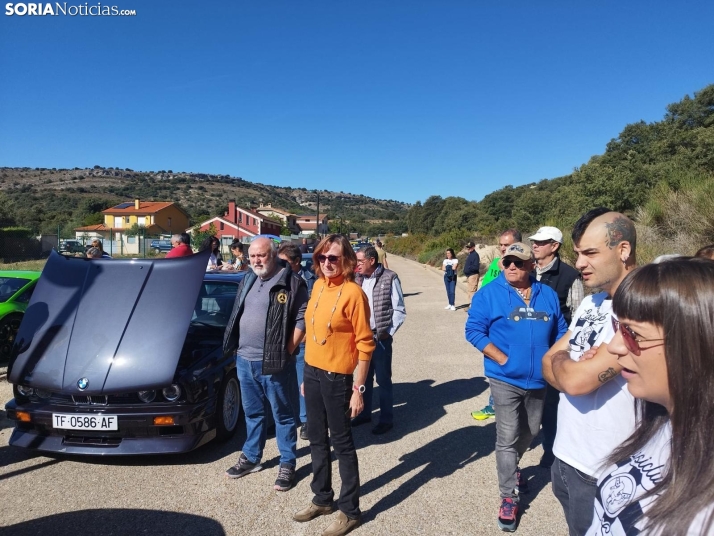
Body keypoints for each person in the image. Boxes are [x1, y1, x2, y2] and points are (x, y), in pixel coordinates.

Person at [587, 258, 714, 536]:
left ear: (695, 345)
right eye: (617, 326)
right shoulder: (660, 421)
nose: (615, 346)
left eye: (633, 334)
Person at [541, 208, 638, 536]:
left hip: (607, 468)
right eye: (578, 253)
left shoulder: (642, 307)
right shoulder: (593, 302)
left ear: (622, 250)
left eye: (591, 253)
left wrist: (566, 367)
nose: (580, 263)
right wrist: (566, 367)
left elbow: (575, 380)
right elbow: (549, 362)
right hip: (566, 456)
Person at [466, 242, 567, 532]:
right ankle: (508, 496)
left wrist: (554, 359)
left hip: (539, 379)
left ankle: (513, 468)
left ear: (531, 265)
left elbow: (560, 329)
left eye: (518, 262)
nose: (511, 267)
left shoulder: (545, 293)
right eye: (507, 262)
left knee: (531, 431)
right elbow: (473, 330)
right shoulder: (489, 294)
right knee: (508, 435)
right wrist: (503, 359)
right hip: (504, 378)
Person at [293, 234, 375, 536]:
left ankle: (351, 511)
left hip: (338, 379)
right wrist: (305, 377)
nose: (327, 262)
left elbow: (366, 344)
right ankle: (322, 498)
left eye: (334, 258)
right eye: (323, 257)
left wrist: (359, 389)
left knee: (341, 444)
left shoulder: (354, 294)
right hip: (313, 373)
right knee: (316, 437)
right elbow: (312, 336)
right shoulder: (317, 286)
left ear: (347, 261)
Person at [222, 237, 308, 492]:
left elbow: (303, 319)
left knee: (283, 415)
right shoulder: (249, 278)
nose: (257, 260)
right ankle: (251, 457)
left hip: (273, 362)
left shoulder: (291, 281)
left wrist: (287, 351)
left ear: (273, 254)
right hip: (244, 359)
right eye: (253, 256)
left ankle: (287, 463)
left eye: (262, 255)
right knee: (253, 413)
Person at [528, 225, 584, 468]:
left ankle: (552, 450)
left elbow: (578, 317)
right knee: (527, 398)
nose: (535, 245)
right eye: (534, 241)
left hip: (554, 350)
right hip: (527, 349)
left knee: (552, 403)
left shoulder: (570, 276)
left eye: (542, 242)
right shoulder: (526, 270)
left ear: (555, 246)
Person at [352, 245, 406, 435]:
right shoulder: (357, 279)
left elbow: (399, 309)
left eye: (360, 261)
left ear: (372, 261)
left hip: (380, 338)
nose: (357, 265)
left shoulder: (390, 277)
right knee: (364, 378)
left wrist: (388, 333)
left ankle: (386, 419)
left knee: (383, 380)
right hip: (361, 338)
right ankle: (364, 414)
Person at [471, 229, 521, 420]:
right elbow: (487, 287)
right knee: (495, 368)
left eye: (506, 245)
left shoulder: (516, 268)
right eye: (500, 244)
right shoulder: (494, 263)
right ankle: (495, 404)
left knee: (508, 368)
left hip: (510, 326)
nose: (502, 248)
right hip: (492, 326)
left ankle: (505, 409)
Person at [278, 241, 316, 441]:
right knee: (282, 382)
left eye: (284, 262)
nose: (280, 265)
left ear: (297, 262)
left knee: (303, 382)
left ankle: (306, 420)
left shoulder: (312, 281)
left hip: (303, 341)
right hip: (279, 340)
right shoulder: (275, 279)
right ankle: (284, 419)